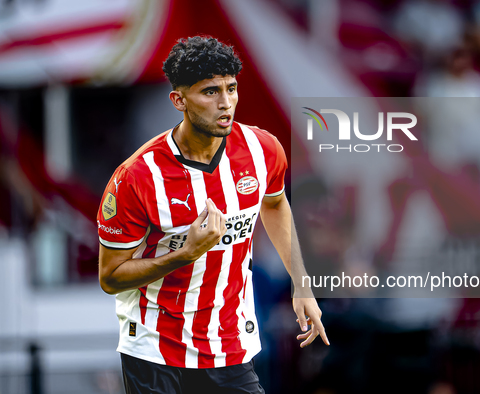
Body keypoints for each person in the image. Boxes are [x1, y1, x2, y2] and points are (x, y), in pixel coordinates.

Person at [97, 36, 329, 394]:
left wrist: (302, 284)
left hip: (229, 345)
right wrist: (186, 253)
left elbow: (275, 202)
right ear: (179, 100)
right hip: (154, 348)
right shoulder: (137, 177)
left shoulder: (262, 149)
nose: (226, 103)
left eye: (231, 88)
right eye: (210, 92)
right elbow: (111, 277)